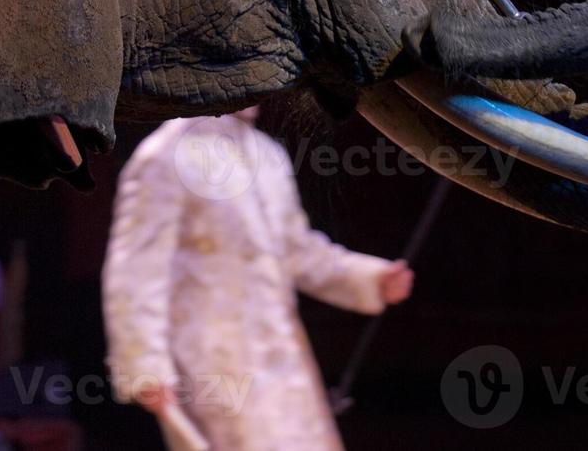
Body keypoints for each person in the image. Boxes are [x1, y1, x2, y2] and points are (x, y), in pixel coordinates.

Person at [103, 106, 414, 450]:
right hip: (212, 362)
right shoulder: (165, 156)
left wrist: (369, 278)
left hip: (280, 353)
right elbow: (136, 268)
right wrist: (145, 364)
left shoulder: (267, 154)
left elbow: (296, 251)